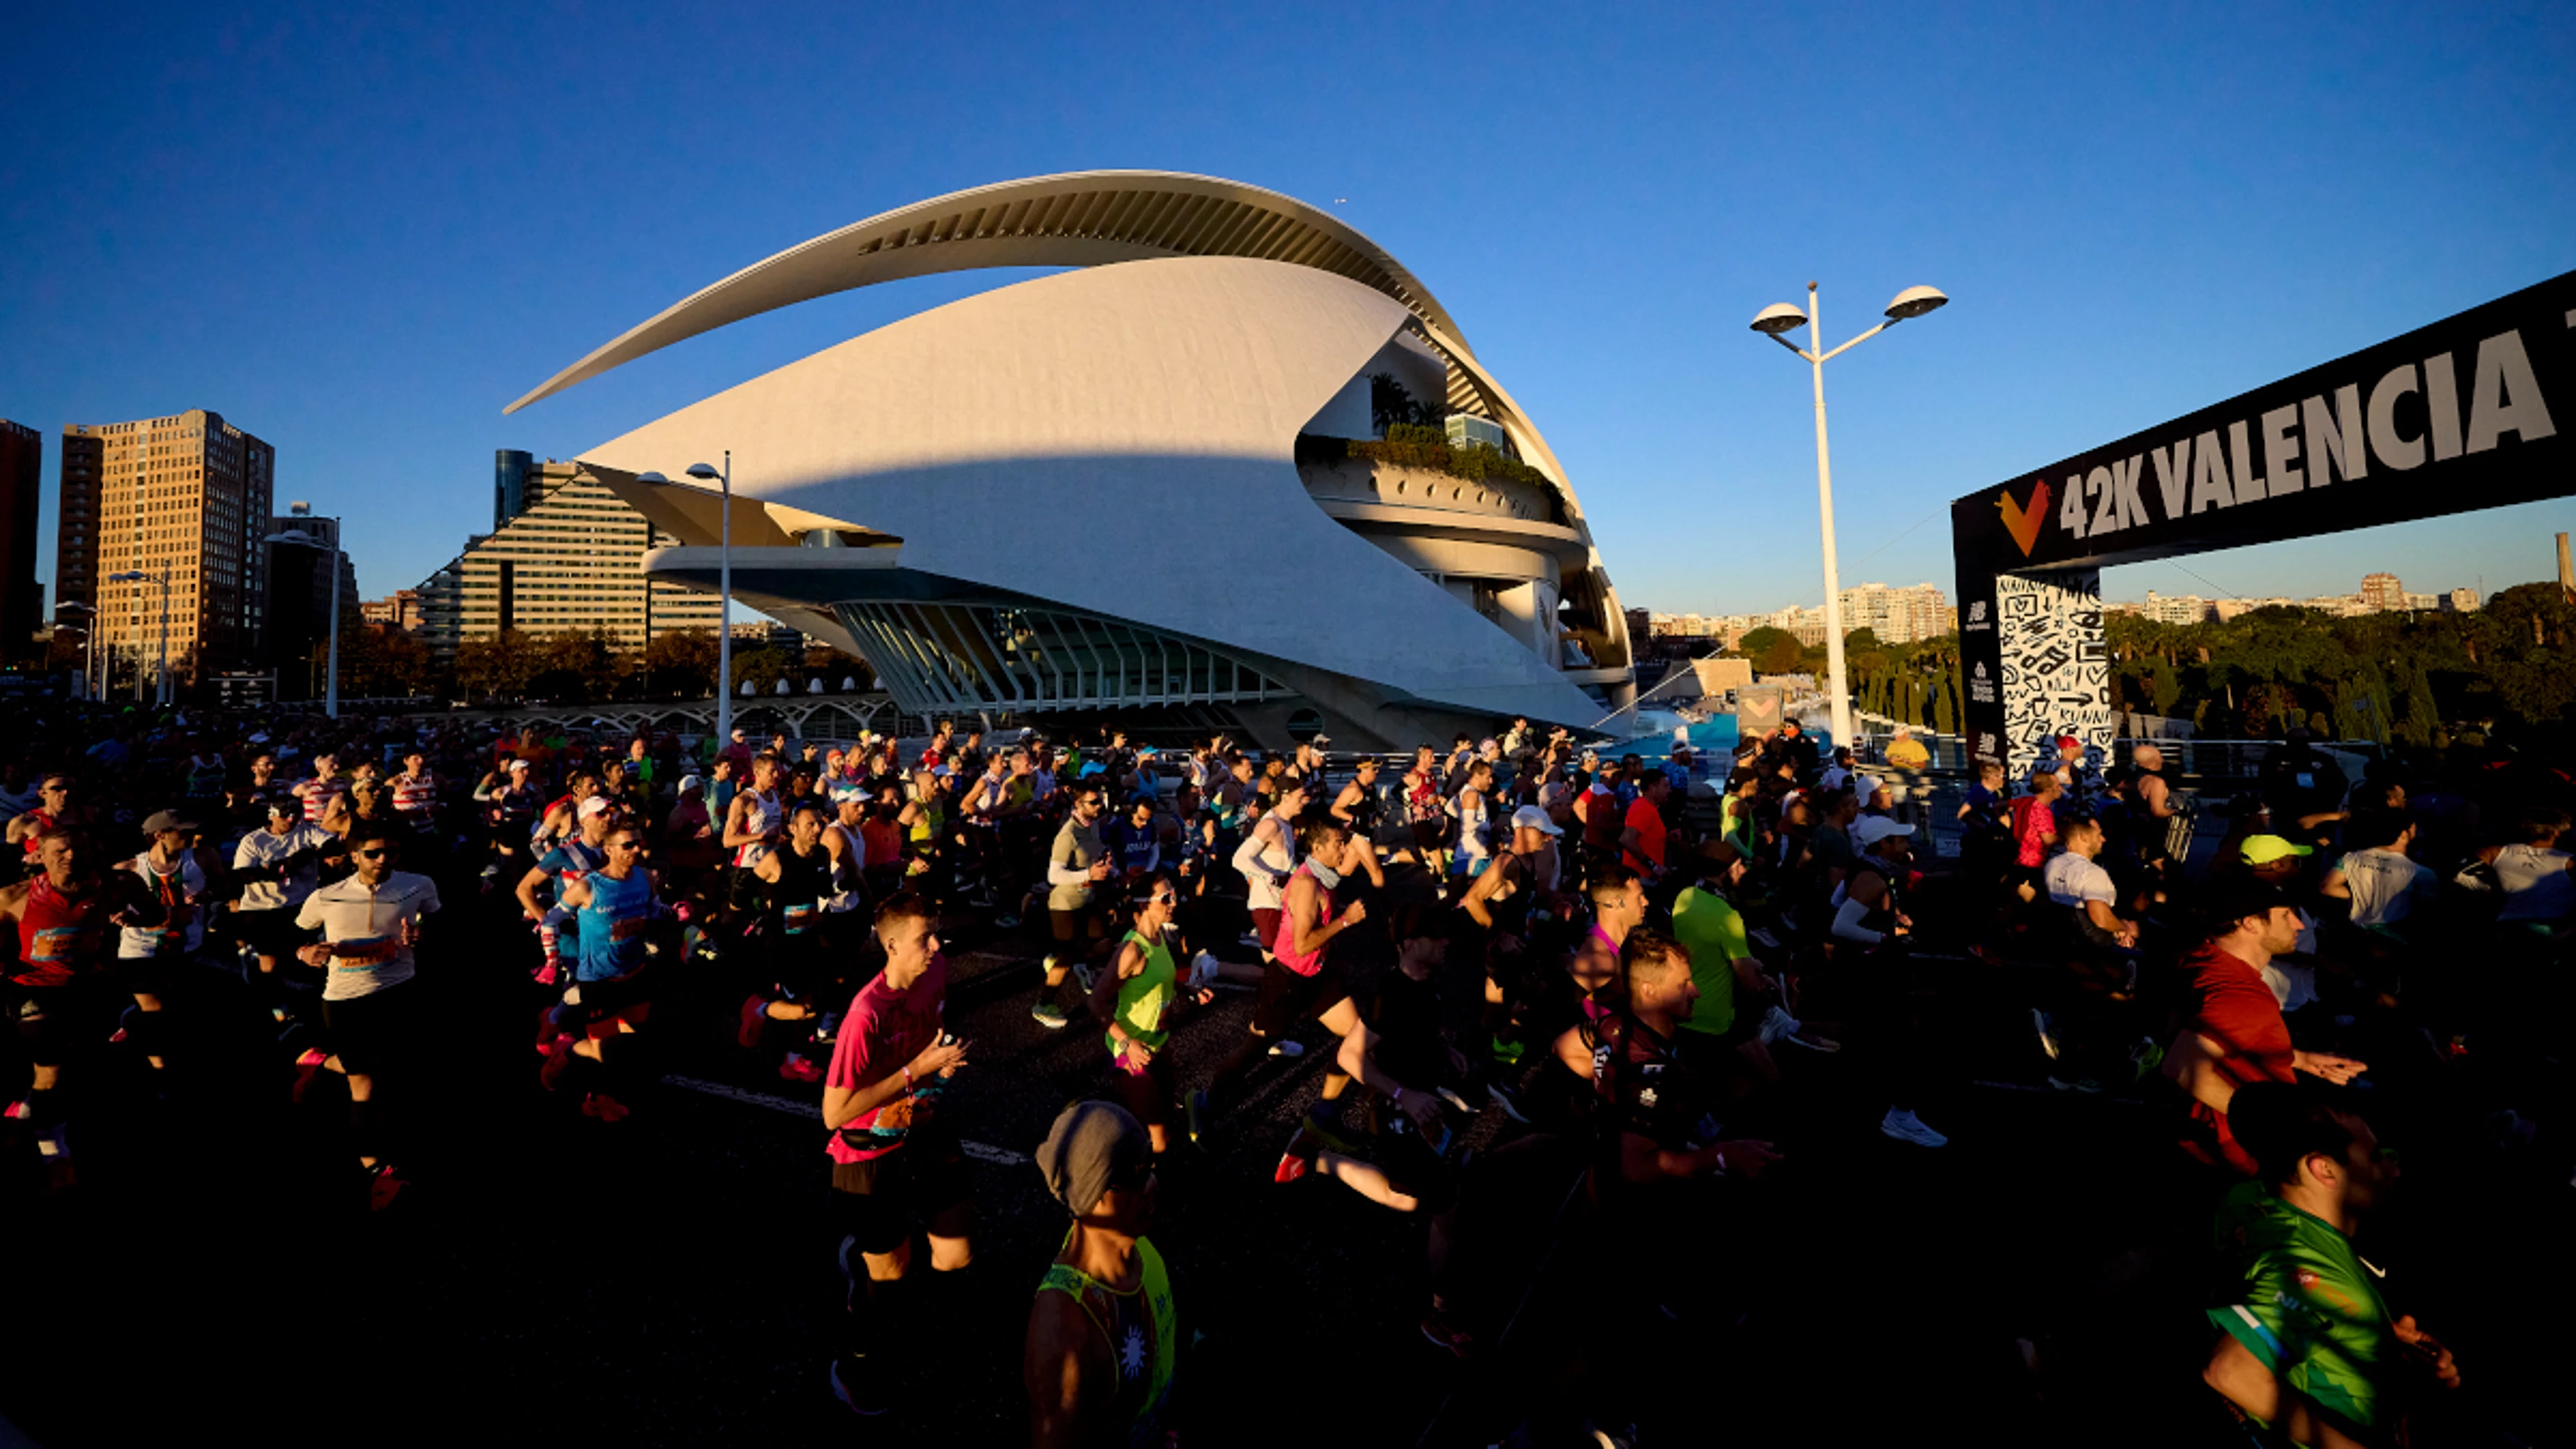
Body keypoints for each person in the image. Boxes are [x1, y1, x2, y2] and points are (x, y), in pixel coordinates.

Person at [2201, 1083, 2461, 1446]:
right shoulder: (2306, 1267)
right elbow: (2230, 1370)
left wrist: (2373, 1330)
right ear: (2325, 1169)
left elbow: (2286, 1300)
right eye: (2376, 1157)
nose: (2393, 1170)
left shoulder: (2249, 1200)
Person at [822, 893, 973, 1417]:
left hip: (922, 1128)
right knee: (890, 1277)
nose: (936, 946)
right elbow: (834, 1112)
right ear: (891, 946)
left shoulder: (937, 972)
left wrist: (939, 1063)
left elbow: (929, 1036)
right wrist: (914, 1072)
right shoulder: (865, 1015)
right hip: (868, 1152)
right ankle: (854, 1364)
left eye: (936, 933)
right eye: (923, 939)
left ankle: (930, 1330)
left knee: (956, 1255)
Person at [2162, 881, 2367, 1176]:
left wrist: (2299, 1059)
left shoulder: (2203, 960)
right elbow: (2182, 1066)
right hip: (2239, 1151)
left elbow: (2222, 1037)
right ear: (2251, 923)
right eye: (2286, 915)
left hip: (2200, 1137)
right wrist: (2266, 1124)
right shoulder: (2241, 994)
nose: (2298, 924)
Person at [1193, 818, 1372, 1142]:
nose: (1343, 849)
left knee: (1357, 1037)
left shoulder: (1325, 876)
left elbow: (1350, 865)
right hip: (1287, 981)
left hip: (1317, 976)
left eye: (1343, 843)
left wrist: (1360, 839)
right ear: (1317, 848)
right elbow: (1302, 945)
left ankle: (1325, 1113)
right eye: (1338, 844)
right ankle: (1205, 1101)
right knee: (1253, 1052)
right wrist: (1345, 921)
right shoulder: (1307, 885)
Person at [293, 822, 441, 1210]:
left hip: (401, 991)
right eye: (373, 853)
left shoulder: (418, 885)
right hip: (346, 1001)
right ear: (354, 855)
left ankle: (321, 1064)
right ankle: (375, 1171)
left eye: (390, 852)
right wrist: (304, 953)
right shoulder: (327, 896)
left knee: (392, 1070)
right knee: (365, 1085)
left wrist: (423, 936)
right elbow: (294, 935)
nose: (382, 860)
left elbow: (436, 922)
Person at [1, 828, 156, 1187]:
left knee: (74, 1064)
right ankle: (56, 1157)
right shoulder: (13, 897)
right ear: (40, 857)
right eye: (61, 850)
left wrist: (132, 917)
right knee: (51, 1066)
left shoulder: (118, 885)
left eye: (80, 848)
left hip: (89, 985)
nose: (71, 856)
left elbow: (152, 912)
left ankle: (23, 1114)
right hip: (33, 988)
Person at [1024, 1099, 1177, 1448]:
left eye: (1150, 1164)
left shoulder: (1142, 1250)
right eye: (1135, 1174)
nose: (1152, 1183)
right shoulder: (1064, 1333)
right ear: (1091, 1193)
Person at [537, 818, 663, 1121]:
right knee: (603, 1050)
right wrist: (552, 961)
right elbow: (550, 922)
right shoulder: (587, 887)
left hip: (635, 970)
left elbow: (655, 912)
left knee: (629, 1039)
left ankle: (590, 1079)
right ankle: (587, 1085)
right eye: (628, 845)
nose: (636, 849)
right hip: (599, 980)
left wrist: (676, 913)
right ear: (609, 850)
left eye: (639, 843)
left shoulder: (646, 877)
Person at [1088, 873, 1214, 1155]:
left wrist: (1188, 989)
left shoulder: (1159, 937)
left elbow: (1160, 977)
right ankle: (1149, 1179)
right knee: (1160, 1138)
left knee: (1166, 1112)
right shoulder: (1132, 950)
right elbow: (1096, 1001)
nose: (1174, 902)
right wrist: (1127, 1044)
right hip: (1132, 1052)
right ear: (1144, 904)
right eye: (1166, 898)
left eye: (1174, 895)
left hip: (1158, 1043)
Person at [1032, 785, 1114, 1030]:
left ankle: (1080, 965)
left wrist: (1105, 861)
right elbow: (1054, 875)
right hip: (1065, 904)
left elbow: (1094, 853)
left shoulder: (1093, 825)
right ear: (1078, 805)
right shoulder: (1067, 835)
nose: (1099, 806)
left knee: (1103, 942)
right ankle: (1043, 1004)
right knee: (1066, 959)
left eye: (1100, 801)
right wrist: (1088, 874)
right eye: (1093, 802)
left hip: (1087, 898)